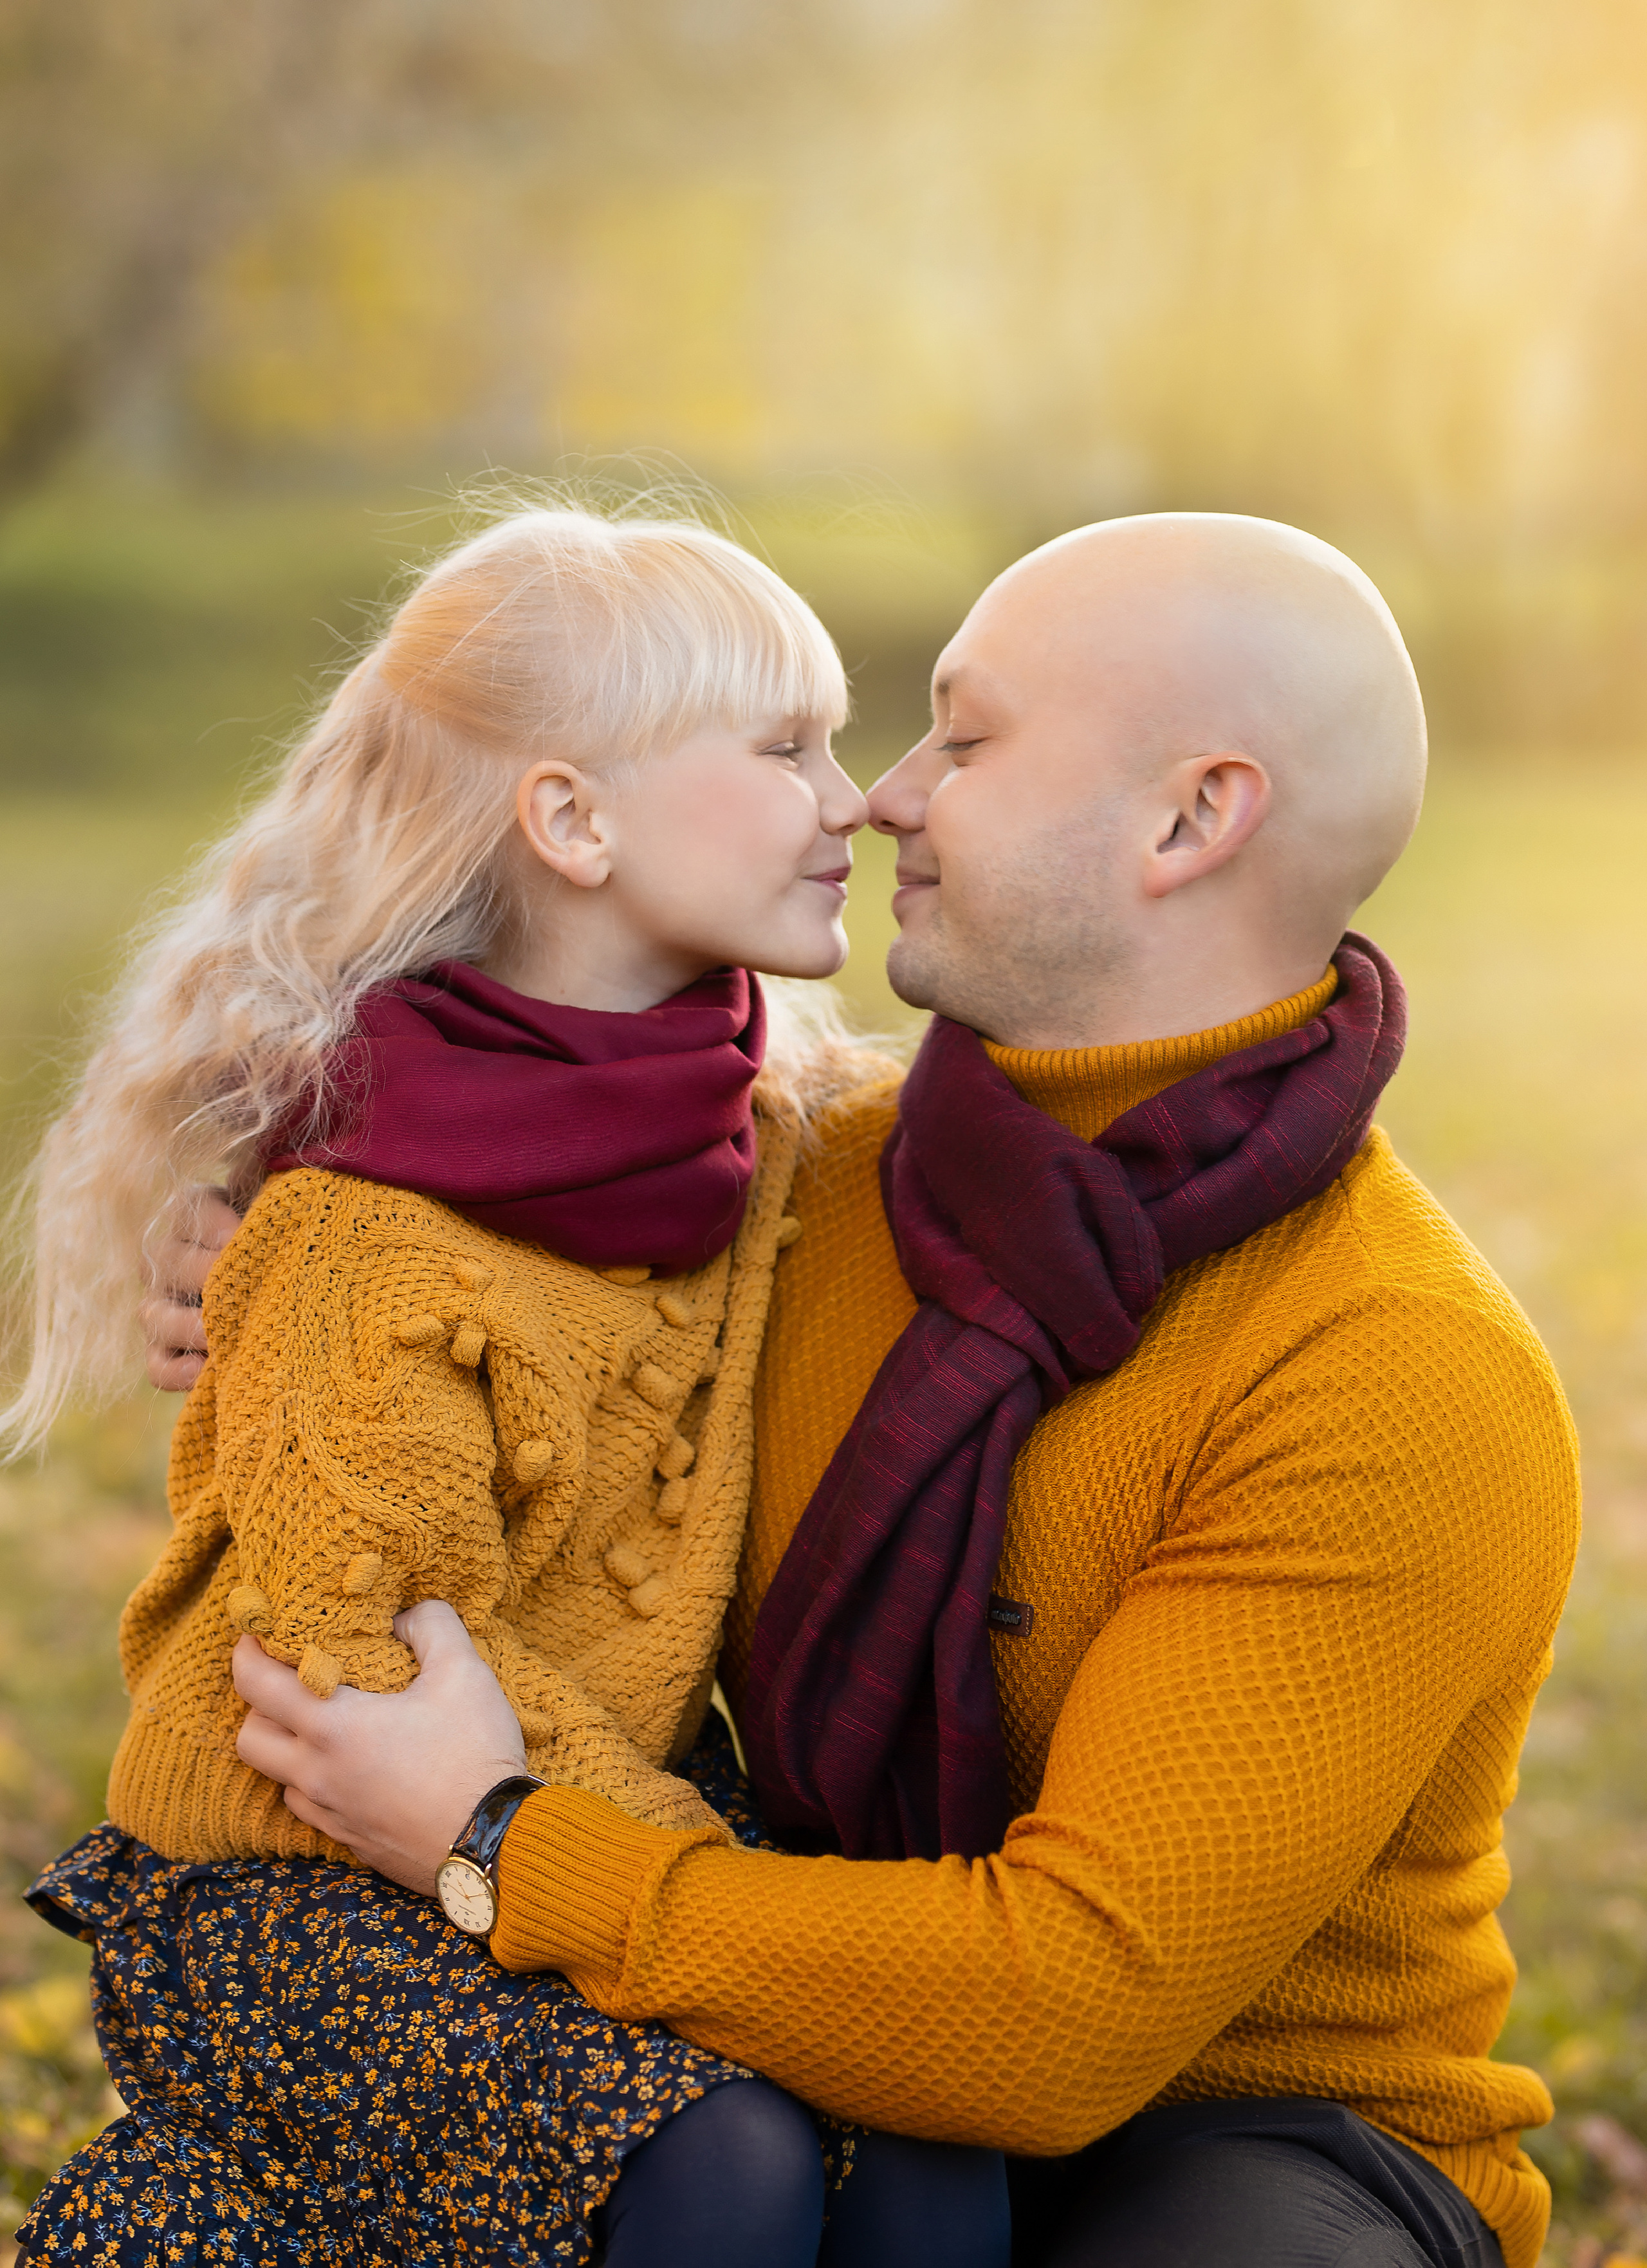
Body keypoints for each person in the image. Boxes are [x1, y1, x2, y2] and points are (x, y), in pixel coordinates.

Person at [144, 514, 1579, 2268]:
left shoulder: (1394, 1369)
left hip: (1234, 2123)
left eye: (961, 741)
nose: (883, 796)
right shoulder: (798, 1183)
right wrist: (249, 1236)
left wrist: (505, 1839)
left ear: (1193, 819)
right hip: (773, 2016)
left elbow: (1061, 2019)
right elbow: (476, 1192)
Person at [4, 504, 1013, 2267]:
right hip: (306, 1883)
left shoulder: (756, 1132)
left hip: (571, 1826)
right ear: (571, 819)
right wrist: (722, 1894)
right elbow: (368, 1677)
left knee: (937, 2136)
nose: (848, 799)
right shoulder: (363, 1236)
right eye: (785, 746)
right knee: (732, 2158)